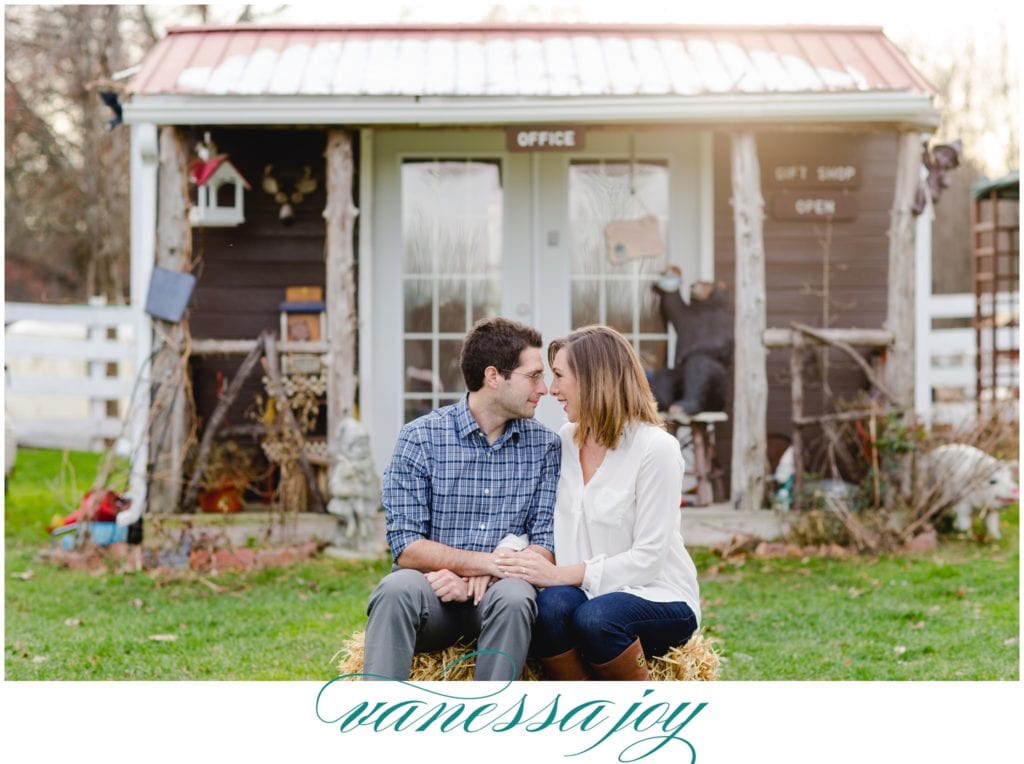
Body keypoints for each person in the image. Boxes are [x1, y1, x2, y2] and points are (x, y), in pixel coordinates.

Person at [496, 325, 701, 680]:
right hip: (585, 595)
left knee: (598, 618)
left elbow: (649, 559)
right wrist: (504, 559)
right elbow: (535, 516)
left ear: (595, 380)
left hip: (658, 595)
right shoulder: (565, 440)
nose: (552, 389)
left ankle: (637, 718)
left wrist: (561, 574)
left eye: (559, 376)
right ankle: (578, 716)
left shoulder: (656, 449)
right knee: (548, 607)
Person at [362, 317, 561, 681]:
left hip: (500, 596)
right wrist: (483, 563)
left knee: (517, 596)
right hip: (431, 591)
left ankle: (489, 721)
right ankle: (377, 715)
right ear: (493, 376)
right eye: (533, 376)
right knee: (394, 590)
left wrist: (493, 573)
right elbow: (406, 547)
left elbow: (545, 544)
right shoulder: (420, 438)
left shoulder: (545, 446)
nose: (545, 388)